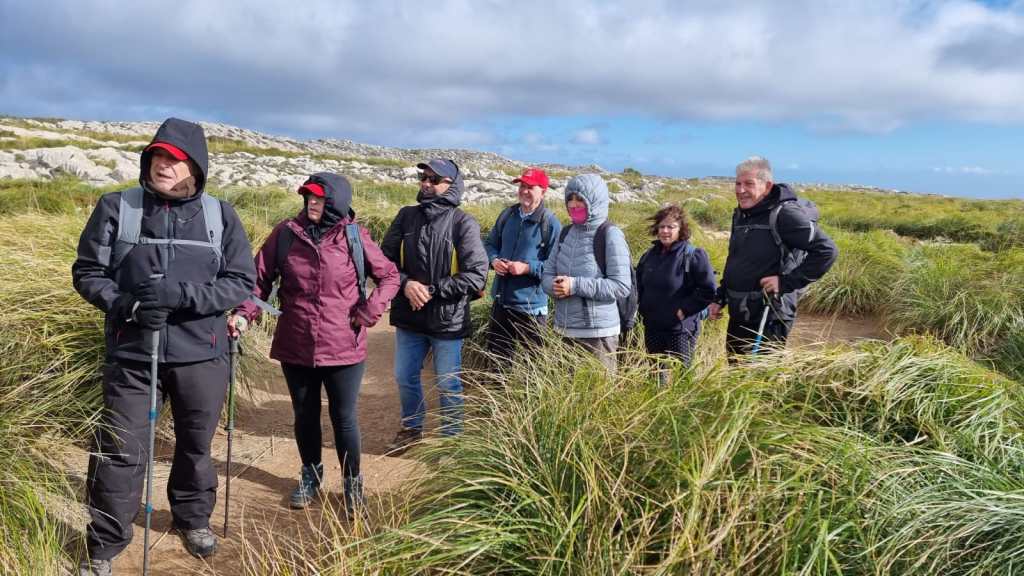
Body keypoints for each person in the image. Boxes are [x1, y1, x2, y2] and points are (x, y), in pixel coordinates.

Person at [72, 118, 256, 575]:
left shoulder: (220, 216)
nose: (163, 165)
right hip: (133, 355)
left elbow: (240, 282)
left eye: (174, 159)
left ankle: (193, 519)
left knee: (196, 444)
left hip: (203, 355)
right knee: (120, 449)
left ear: (195, 166)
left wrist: (184, 296)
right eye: (157, 155)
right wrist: (128, 305)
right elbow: (88, 272)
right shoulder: (117, 207)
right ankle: (104, 545)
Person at [229, 173, 399, 512]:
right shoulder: (285, 234)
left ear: (336, 202)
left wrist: (369, 312)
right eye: (309, 196)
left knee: (343, 417)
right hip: (296, 343)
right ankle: (311, 474)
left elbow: (390, 276)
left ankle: (352, 482)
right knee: (304, 415)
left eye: (320, 197)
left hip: (343, 345)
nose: (312, 202)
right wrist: (245, 313)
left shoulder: (355, 236)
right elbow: (259, 280)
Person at [379, 159, 488, 454]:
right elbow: (384, 262)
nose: (426, 183)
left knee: (448, 383)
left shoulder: (463, 223)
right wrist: (406, 284)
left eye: (434, 179)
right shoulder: (406, 216)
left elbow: (477, 275)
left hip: (447, 321)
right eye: (423, 177)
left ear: (451, 185)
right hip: (409, 316)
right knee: (405, 376)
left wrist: (431, 290)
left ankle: (451, 442)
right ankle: (411, 429)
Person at [708, 156, 838, 358]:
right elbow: (736, 259)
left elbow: (827, 251)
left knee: (758, 374)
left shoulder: (784, 214)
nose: (740, 190)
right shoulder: (741, 214)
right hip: (740, 310)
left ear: (767, 186)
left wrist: (786, 282)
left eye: (749, 184)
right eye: (738, 183)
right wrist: (721, 297)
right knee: (735, 369)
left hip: (770, 314)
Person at [542, 174, 632, 371]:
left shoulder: (610, 234)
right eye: (570, 199)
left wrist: (574, 286)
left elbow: (621, 286)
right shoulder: (565, 233)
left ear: (595, 201)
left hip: (598, 335)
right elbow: (547, 274)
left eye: (580, 199)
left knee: (599, 390)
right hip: (564, 331)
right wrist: (554, 286)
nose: (573, 204)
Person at [483, 167, 561, 359]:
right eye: (522, 186)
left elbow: (557, 266)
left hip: (532, 308)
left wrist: (526, 268)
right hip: (501, 301)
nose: (524, 191)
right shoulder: (507, 215)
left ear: (543, 192)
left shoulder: (551, 223)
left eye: (530, 187)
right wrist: (494, 260)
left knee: (532, 364)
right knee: (497, 362)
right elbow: (490, 244)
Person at [636, 203, 717, 370]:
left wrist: (684, 310)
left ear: (681, 230)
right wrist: (642, 310)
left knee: (682, 375)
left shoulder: (693, 255)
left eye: (671, 227)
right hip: (652, 328)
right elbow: (638, 286)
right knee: (655, 373)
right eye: (662, 226)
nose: (665, 231)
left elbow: (708, 290)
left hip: (680, 329)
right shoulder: (649, 256)